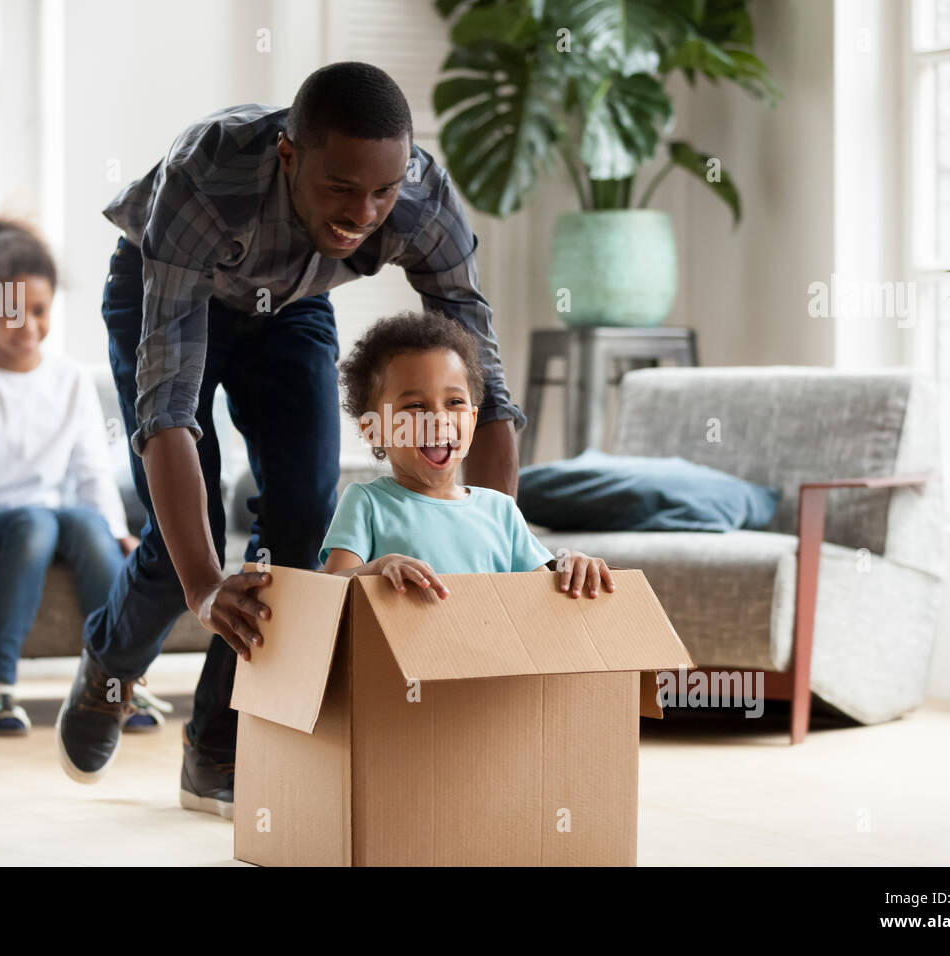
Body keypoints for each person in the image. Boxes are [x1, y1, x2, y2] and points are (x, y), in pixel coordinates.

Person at [57, 62, 526, 819]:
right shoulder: (205, 176)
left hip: (293, 306)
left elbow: (487, 386)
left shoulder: (421, 199)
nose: (363, 211)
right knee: (188, 536)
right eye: (340, 187)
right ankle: (109, 669)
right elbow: (166, 411)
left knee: (305, 517)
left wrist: (496, 538)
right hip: (173, 291)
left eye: (381, 192)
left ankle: (217, 745)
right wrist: (207, 587)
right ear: (288, 156)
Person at [0, 218, 141, 735]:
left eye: (38, 311)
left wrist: (116, 532)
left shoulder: (71, 381)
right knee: (37, 522)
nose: (27, 325)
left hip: (52, 520)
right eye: (11, 312)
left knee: (87, 524)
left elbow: (91, 471)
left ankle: (119, 684)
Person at [321, 310, 614, 596]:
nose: (438, 418)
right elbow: (331, 591)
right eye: (415, 406)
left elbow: (539, 596)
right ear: (373, 429)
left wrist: (571, 566)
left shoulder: (500, 511)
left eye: (454, 402)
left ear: (473, 421)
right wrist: (377, 568)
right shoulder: (367, 503)